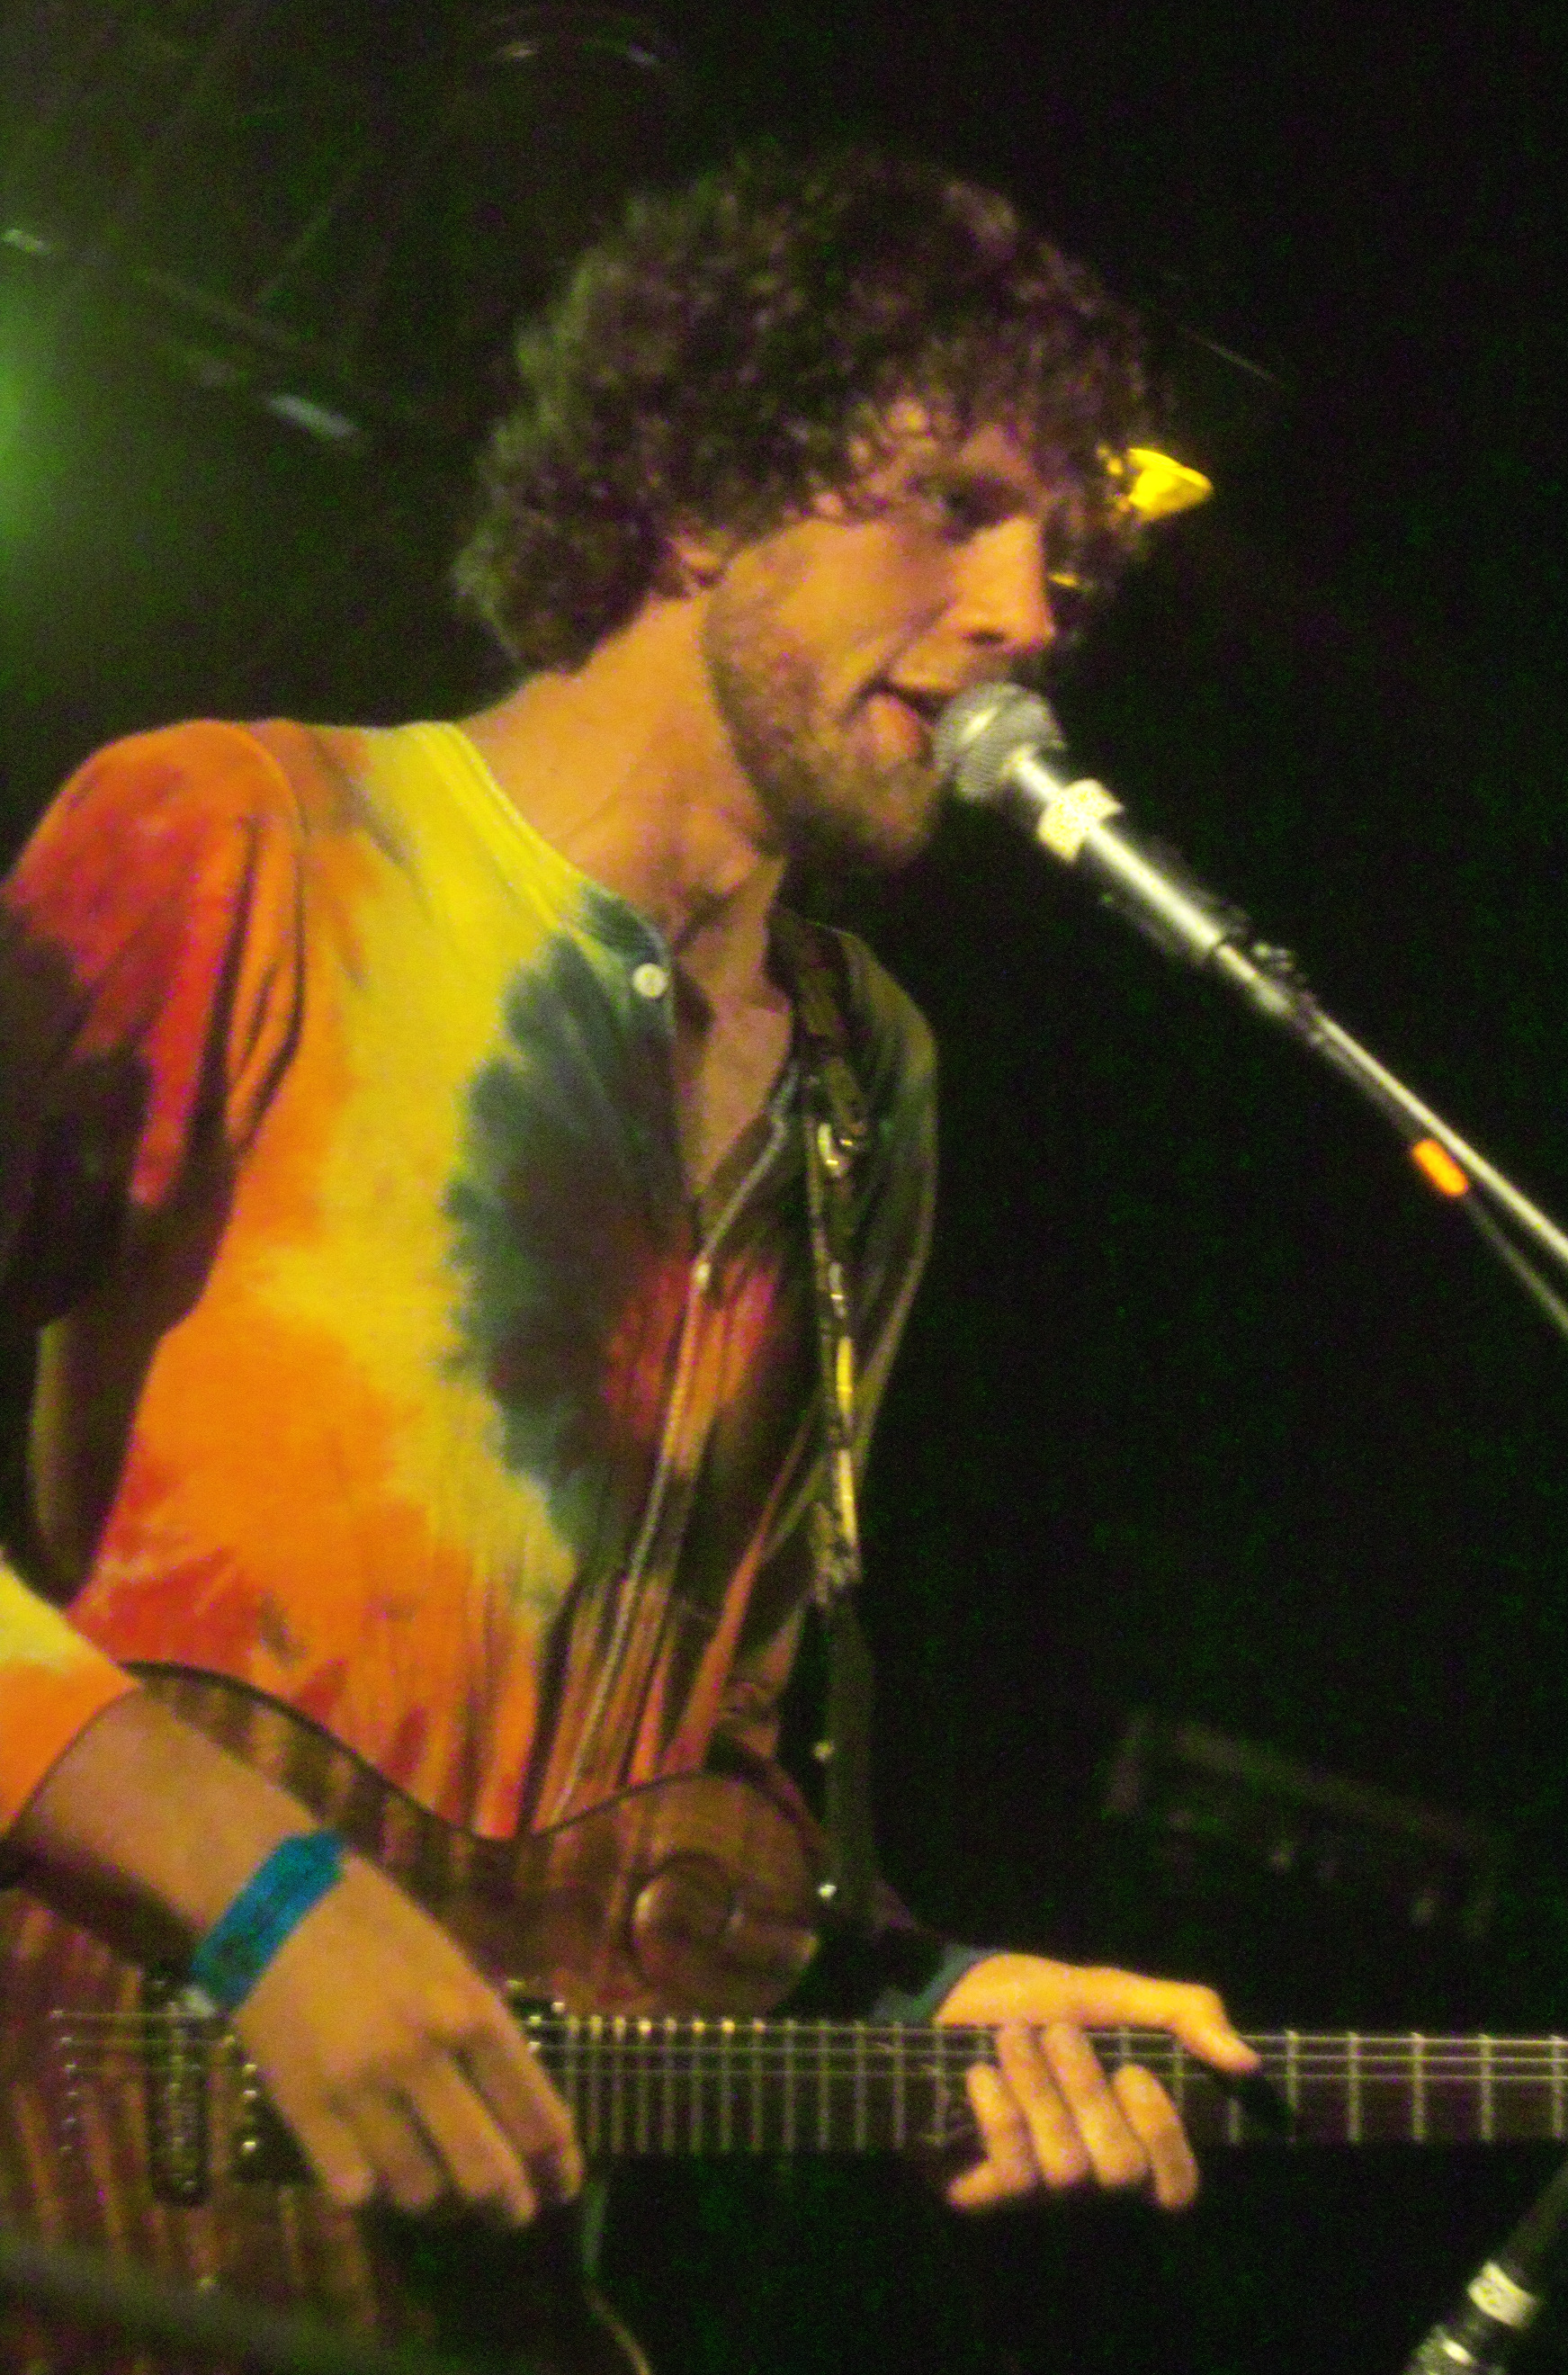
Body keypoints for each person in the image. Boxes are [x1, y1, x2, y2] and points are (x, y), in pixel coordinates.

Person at [0, 144, 1254, 2296]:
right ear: (694, 497)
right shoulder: (242, 841)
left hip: (463, 2286)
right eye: (953, 504)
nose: (1028, 612)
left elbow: (677, 1826)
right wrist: (265, 1897)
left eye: (1061, 556)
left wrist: (923, 2001)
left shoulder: (870, 1086)